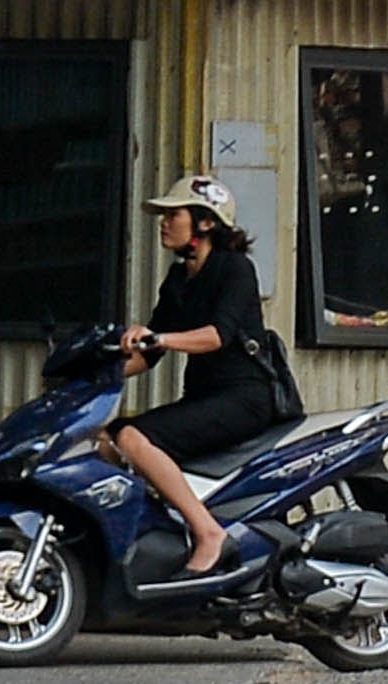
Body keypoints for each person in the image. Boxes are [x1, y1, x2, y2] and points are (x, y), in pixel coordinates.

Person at [110, 179, 288, 580]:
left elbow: (217, 335)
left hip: (244, 399)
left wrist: (161, 337)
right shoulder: (177, 280)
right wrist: (94, 375)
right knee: (105, 439)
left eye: (174, 214)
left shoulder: (235, 269)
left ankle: (208, 533)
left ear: (205, 223)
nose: (164, 223)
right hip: (205, 398)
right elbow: (148, 355)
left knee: (133, 438)